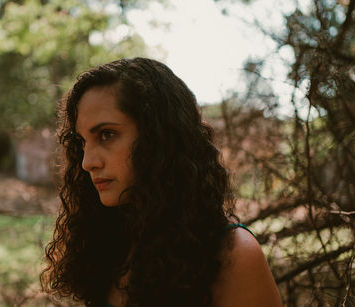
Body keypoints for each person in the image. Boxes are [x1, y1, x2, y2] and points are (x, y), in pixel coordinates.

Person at [41, 57, 282, 307]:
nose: (87, 162)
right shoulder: (111, 241)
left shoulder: (234, 255)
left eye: (107, 135)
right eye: (82, 142)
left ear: (158, 137)